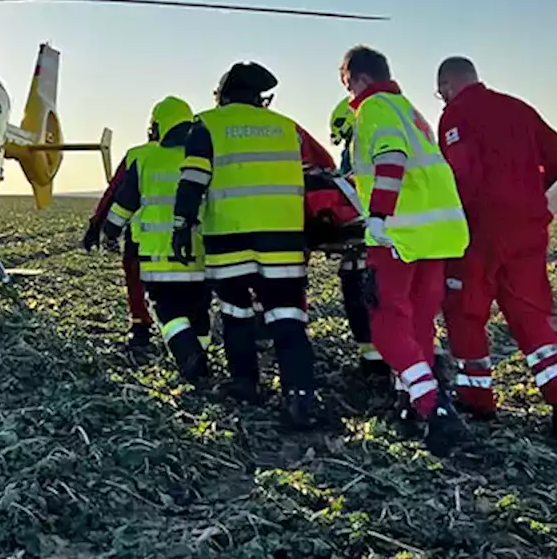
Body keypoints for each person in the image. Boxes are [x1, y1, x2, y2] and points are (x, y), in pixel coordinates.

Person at [435, 56, 557, 442]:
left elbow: (461, 172)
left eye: (441, 93)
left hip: (479, 230)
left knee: (465, 310)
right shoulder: (518, 107)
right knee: (531, 312)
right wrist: (530, 189)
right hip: (527, 227)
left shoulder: (456, 115)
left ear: (448, 86)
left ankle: (477, 396)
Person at [171, 61, 318, 428]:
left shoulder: (207, 125)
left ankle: (245, 383)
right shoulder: (288, 129)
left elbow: (192, 181)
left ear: (222, 95)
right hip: (283, 241)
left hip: (230, 239)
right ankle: (299, 396)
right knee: (287, 318)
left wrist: (180, 227)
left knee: (236, 314)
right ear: (259, 97)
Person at [340, 45, 471, 457]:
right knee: (417, 322)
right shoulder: (408, 109)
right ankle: (412, 404)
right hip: (437, 234)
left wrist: (378, 216)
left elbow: (391, 161)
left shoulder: (374, 107)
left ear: (358, 78)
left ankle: (435, 407)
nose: (346, 91)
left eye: (345, 82)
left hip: (401, 235)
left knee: (385, 325)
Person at [101, 96, 211, 378]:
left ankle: (188, 356)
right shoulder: (203, 158)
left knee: (169, 313)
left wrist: (109, 232)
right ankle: (201, 354)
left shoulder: (147, 159)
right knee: (199, 313)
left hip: (158, 261)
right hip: (199, 258)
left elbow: (124, 203)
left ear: (157, 127)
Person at [327, 98, 387, 377]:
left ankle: (375, 358)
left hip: (369, 237)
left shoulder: (361, 148)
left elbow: (351, 194)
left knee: (360, 288)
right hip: (400, 238)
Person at [83, 123, 155, 350]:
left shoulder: (138, 155)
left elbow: (114, 192)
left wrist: (97, 226)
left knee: (135, 279)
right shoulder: (193, 151)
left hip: (142, 236)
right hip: (188, 236)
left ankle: (140, 328)